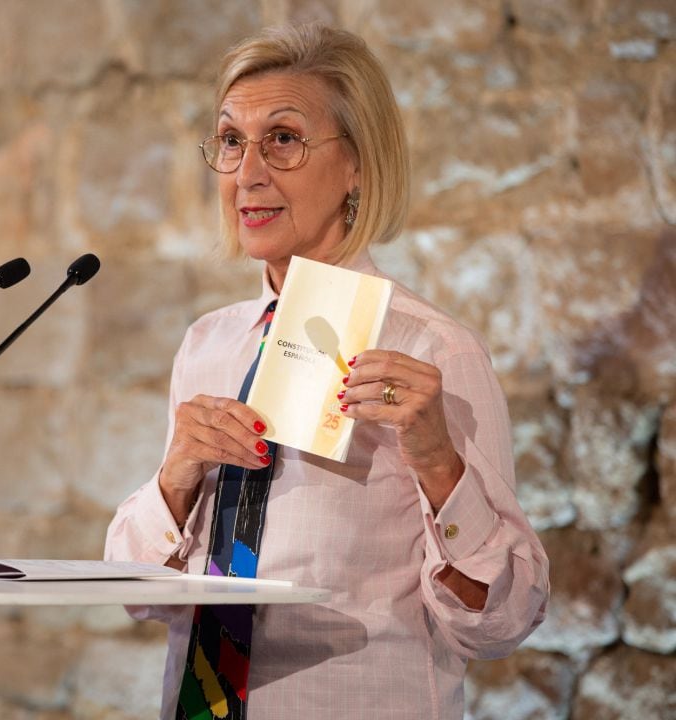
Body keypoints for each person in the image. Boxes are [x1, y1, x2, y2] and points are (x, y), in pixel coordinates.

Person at [104, 22, 549, 720]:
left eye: (283, 138)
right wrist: (176, 478)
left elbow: (502, 621)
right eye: (230, 140)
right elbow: (138, 593)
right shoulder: (207, 346)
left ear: (358, 165)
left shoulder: (435, 351)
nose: (249, 172)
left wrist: (438, 465)